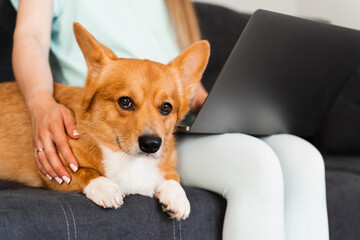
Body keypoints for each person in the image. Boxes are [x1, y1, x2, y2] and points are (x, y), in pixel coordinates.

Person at [10, 0, 329, 239]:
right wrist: (40, 102)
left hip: (176, 116)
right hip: (107, 125)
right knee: (256, 163)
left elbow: (184, 78)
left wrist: (218, 103)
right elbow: (29, 39)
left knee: (303, 157)